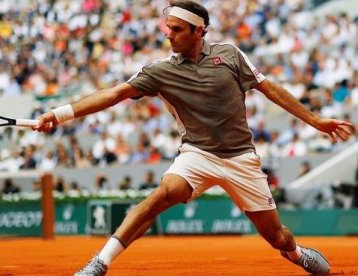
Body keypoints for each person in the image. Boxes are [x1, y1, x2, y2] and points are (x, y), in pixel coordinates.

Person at [33, 1, 352, 275]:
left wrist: (316, 120)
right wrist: (60, 114)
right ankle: (100, 263)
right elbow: (115, 94)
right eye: (167, 28)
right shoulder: (159, 70)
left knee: (277, 238)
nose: (167, 34)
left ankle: (296, 254)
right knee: (162, 194)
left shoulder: (230, 55)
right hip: (197, 154)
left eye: (176, 29)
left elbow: (270, 89)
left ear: (199, 31)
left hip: (242, 158)